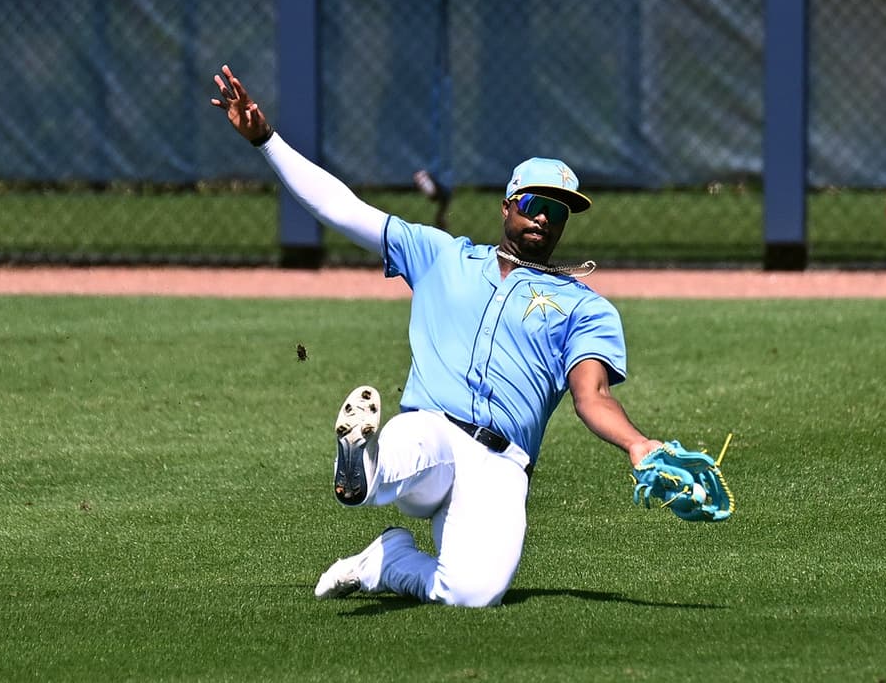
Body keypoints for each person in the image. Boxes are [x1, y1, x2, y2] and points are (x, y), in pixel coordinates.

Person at [210, 64, 663, 608]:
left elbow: (594, 396)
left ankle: (388, 560)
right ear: (507, 204)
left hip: (501, 464)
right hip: (434, 434)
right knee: (404, 446)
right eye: (533, 204)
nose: (543, 218)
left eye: (558, 211)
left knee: (475, 594)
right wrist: (266, 140)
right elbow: (341, 208)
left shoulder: (585, 308)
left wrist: (638, 444)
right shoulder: (441, 255)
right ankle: (363, 462)